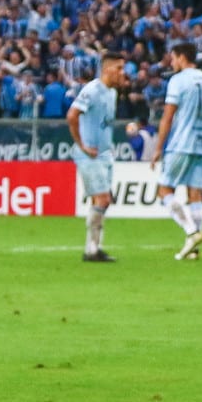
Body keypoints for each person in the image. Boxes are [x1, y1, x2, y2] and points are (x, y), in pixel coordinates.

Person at [151, 42, 202, 262]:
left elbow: (168, 116)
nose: (172, 62)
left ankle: (192, 233)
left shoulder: (178, 80)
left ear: (182, 58)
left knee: (164, 190)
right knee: (195, 194)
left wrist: (158, 147)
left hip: (181, 142)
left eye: (173, 58)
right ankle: (194, 250)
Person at [67, 54, 126, 263]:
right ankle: (91, 250)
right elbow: (72, 115)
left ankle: (95, 248)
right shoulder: (92, 90)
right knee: (103, 199)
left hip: (104, 154)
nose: (122, 72)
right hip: (89, 154)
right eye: (119, 68)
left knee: (100, 201)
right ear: (107, 68)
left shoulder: (112, 93)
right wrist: (82, 145)